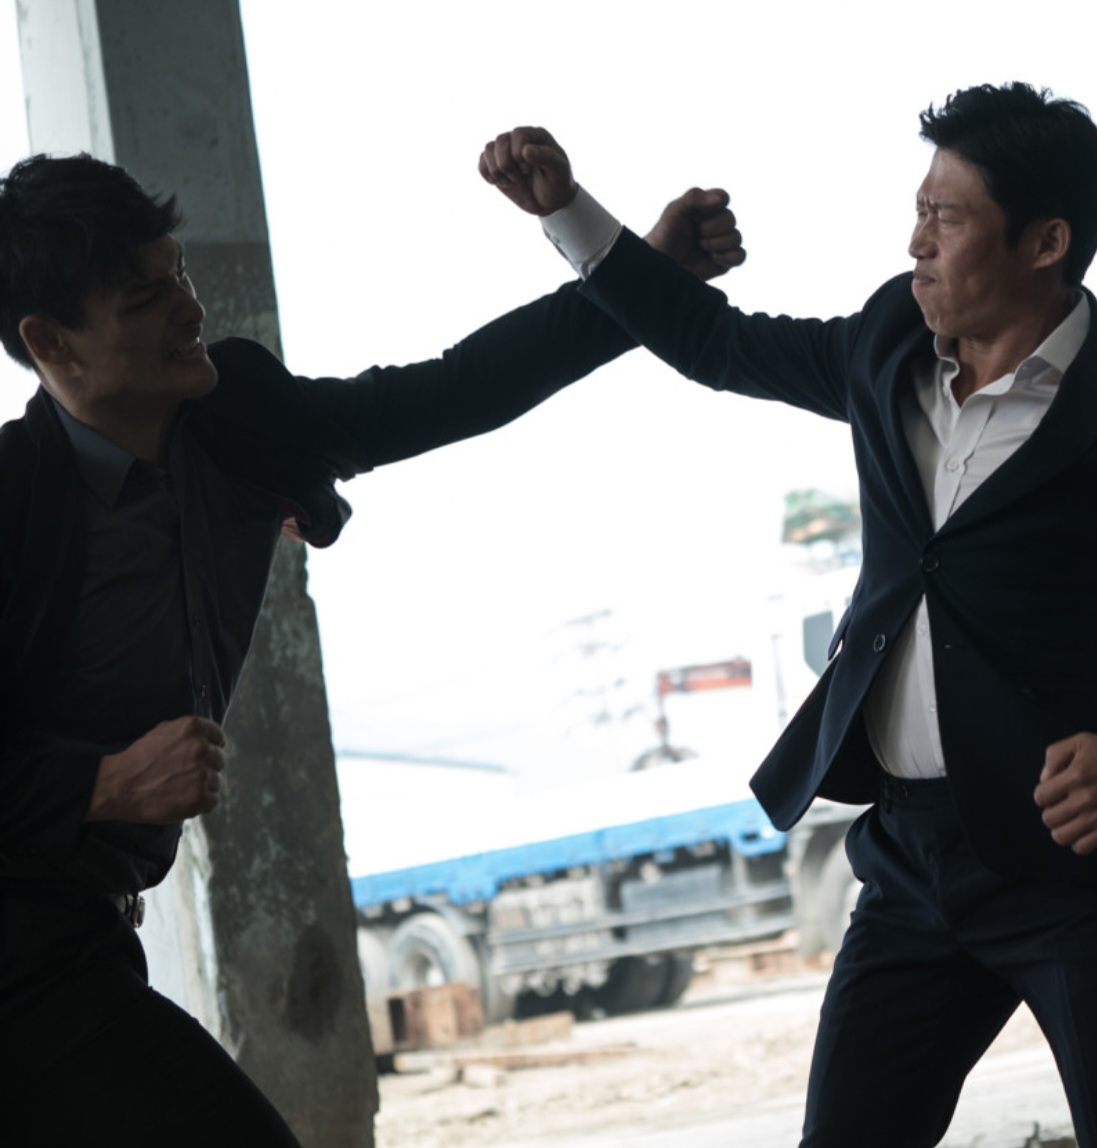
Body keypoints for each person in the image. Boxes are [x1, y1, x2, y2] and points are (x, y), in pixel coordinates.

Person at [480, 84, 1097, 1148]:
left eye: (946, 217)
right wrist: (568, 212)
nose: (915, 242)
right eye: (918, 211)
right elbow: (714, 341)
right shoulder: (887, 342)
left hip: (1069, 865)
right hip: (906, 864)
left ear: (1046, 241)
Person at [0, 153, 743, 1144]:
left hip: (83, 930)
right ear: (53, 344)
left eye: (178, 271)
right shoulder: (15, 507)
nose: (188, 307)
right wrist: (99, 785)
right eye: (145, 297)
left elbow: (445, 392)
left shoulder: (233, 417)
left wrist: (641, 273)